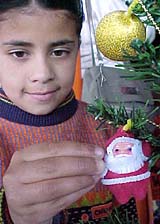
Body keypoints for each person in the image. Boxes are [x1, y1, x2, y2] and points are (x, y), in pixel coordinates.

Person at [0, 1, 114, 223]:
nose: (42, 74)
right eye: (19, 53)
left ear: (77, 49)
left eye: (59, 51)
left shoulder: (107, 128)